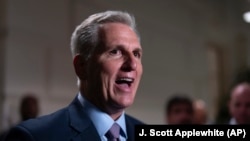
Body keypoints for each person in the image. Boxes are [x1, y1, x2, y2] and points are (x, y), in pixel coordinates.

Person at [4, 10, 144, 141]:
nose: (133, 64)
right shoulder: (33, 136)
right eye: (115, 52)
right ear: (81, 66)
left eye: (136, 54)